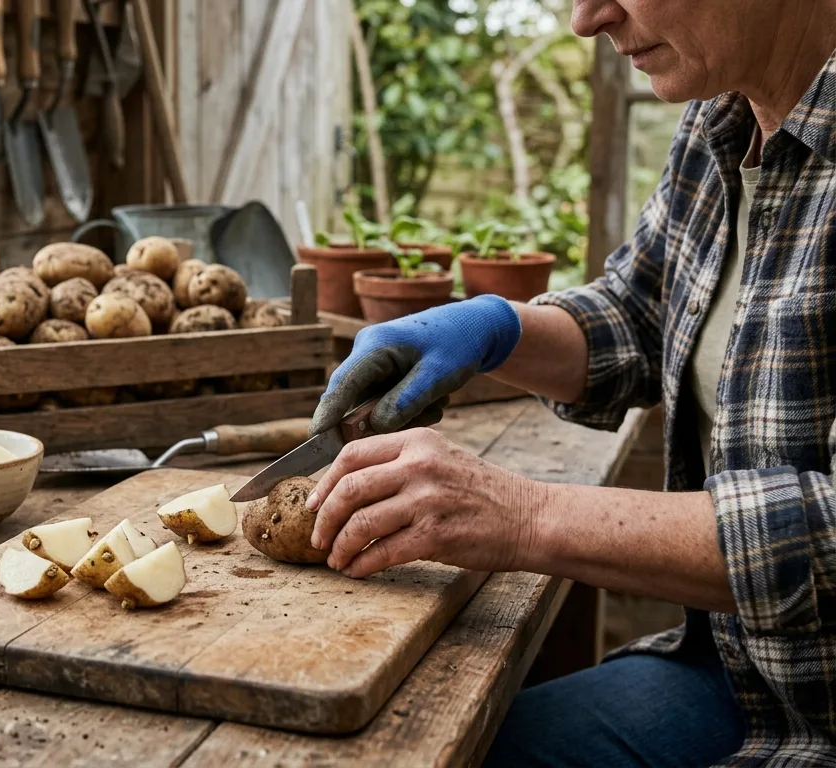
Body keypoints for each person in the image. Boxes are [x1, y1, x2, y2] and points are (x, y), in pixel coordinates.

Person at [307, 1, 836, 764]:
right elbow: (640, 312)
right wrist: (495, 329)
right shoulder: (722, 113)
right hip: (741, 675)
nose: (589, 18)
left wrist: (525, 515)